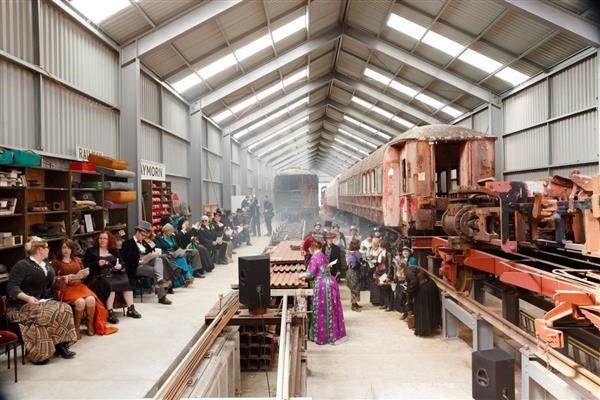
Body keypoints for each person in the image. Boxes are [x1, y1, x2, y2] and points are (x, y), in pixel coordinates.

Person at [6, 237, 78, 364]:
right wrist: (28, 298)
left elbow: (50, 282)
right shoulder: (22, 265)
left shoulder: (46, 264)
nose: (48, 249)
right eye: (46, 247)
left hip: (42, 301)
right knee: (46, 314)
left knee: (65, 308)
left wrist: (61, 279)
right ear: (40, 249)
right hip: (20, 305)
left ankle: (61, 345)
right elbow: (12, 287)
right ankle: (40, 353)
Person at [52, 240, 117, 338]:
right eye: (64, 248)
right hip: (66, 288)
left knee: (91, 300)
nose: (66, 250)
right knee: (80, 302)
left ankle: (89, 326)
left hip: (79, 286)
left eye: (68, 248)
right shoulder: (56, 262)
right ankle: (76, 328)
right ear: (60, 249)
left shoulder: (77, 260)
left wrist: (83, 274)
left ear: (72, 249)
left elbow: (83, 274)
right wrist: (64, 277)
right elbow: (53, 279)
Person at [84, 231, 142, 322]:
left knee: (125, 281)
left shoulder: (114, 250)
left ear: (109, 240)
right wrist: (97, 263)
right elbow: (86, 265)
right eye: (100, 238)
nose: (102, 240)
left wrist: (120, 266)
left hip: (113, 273)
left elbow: (122, 262)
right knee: (110, 284)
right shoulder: (91, 251)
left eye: (104, 238)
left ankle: (131, 309)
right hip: (98, 275)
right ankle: (110, 312)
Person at [299, 237, 346, 345]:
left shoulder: (315, 257)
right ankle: (332, 334)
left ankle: (322, 337)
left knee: (322, 311)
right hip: (330, 282)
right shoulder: (322, 254)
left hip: (322, 286)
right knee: (330, 310)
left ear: (311, 247)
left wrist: (300, 275)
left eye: (308, 249)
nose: (308, 252)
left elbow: (311, 274)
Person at [120, 221, 174, 306]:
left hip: (147, 262)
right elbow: (126, 259)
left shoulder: (145, 242)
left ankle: (160, 280)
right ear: (137, 232)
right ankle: (162, 296)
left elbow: (153, 251)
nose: (143, 237)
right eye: (142, 235)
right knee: (156, 270)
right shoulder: (127, 243)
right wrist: (140, 261)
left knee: (159, 260)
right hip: (136, 266)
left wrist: (151, 248)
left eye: (145, 235)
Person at [154, 224, 197, 288]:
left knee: (182, 257)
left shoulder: (171, 237)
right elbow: (158, 250)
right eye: (170, 231)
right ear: (165, 231)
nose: (172, 233)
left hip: (174, 254)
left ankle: (187, 278)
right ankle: (187, 277)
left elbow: (176, 246)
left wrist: (180, 250)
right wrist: (169, 252)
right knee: (180, 259)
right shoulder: (159, 238)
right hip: (167, 255)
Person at [412, 268, 442, 336]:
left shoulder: (420, 288)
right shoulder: (432, 283)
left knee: (423, 313)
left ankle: (423, 330)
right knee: (430, 312)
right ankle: (433, 328)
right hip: (430, 302)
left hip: (422, 301)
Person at [394, 247, 417, 318]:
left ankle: (409, 312)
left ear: (410, 253)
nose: (405, 253)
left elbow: (412, 269)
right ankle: (404, 311)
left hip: (409, 280)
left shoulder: (413, 260)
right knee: (401, 296)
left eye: (407, 251)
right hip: (401, 280)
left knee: (409, 297)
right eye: (404, 251)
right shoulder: (400, 259)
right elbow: (397, 269)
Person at [345, 239, 362, 312]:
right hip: (354, 272)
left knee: (355, 287)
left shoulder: (349, 252)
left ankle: (355, 303)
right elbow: (354, 264)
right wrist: (361, 262)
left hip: (351, 271)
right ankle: (353, 305)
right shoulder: (355, 253)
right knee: (354, 288)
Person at [366, 235, 383, 306]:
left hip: (378, 268)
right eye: (373, 242)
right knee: (373, 284)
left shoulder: (380, 249)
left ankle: (379, 300)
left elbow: (381, 259)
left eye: (376, 242)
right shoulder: (370, 249)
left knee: (378, 283)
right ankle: (374, 300)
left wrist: (374, 261)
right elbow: (367, 256)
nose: (374, 243)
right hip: (371, 268)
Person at [378, 240, 394, 311]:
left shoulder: (388, 254)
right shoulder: (381, 253)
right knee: (383, 289)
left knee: (388, 289)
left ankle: (389, 306)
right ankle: (385, 304)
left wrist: (388, 275)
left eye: (380, 245)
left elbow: (390, 266)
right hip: (381, 272)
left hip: (386, 273)